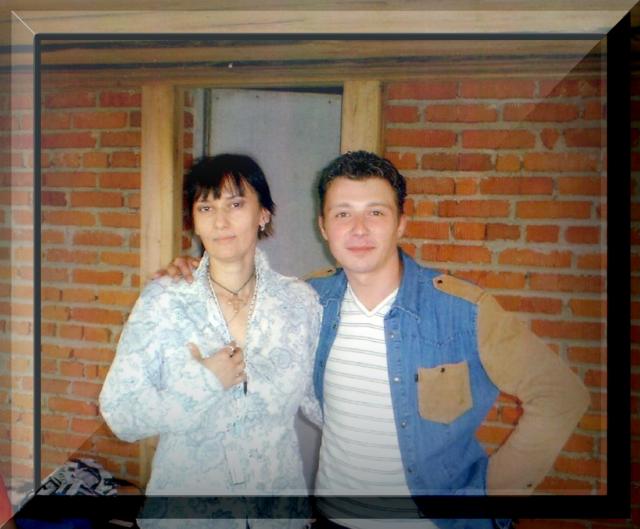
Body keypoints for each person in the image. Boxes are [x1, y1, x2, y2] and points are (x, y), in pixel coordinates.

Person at [160, 151, 591, 529]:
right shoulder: (305, 302)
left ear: (401, 223)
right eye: (342, 214)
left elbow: (561, 396)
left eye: (376, 213)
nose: (359, 229)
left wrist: (495, 497)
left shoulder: (464, 311)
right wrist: (193, 273)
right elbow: (235, 309)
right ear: (323, 227)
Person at [99, 154, 322, 529]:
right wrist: (203, 382)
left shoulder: (300, 303)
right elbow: (120, 415)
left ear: (263, 214)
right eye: (206, 207)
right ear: (195, 221)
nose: (220, 221)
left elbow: (324, 403)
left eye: (235, 204)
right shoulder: (165, 301)